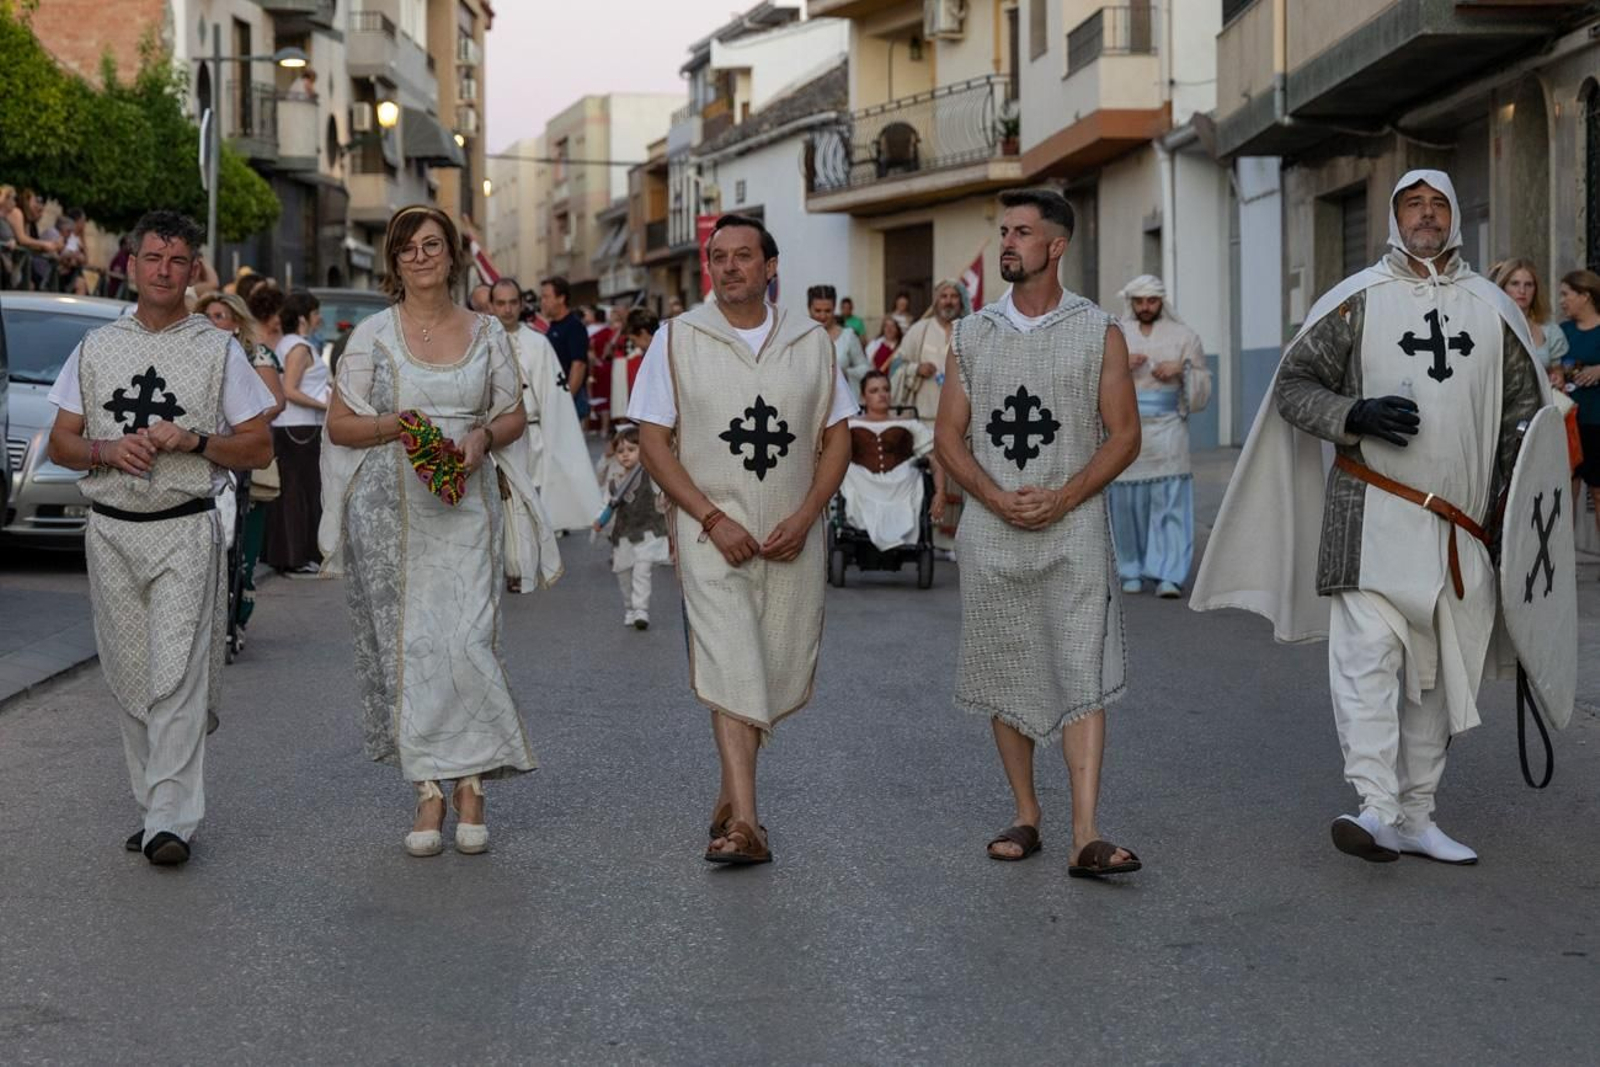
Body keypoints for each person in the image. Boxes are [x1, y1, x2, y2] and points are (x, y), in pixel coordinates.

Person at [1193, 170, 1548, 865]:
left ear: (1454, 218)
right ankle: (1376, 806)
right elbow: (1295, 385)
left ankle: (1417, 814)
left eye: (1438, 203)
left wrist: (1517, 519)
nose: (1425, 214)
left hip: (1461, 530)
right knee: (1367, 661)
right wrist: (1353, 415)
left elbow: (1522, 424)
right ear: (1393, 215)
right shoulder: (1356, 302)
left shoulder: (1492, 309)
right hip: (1368, 515)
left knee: (1440, 679)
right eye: (1413, 203)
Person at [44, 209, 275, 866]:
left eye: (177, 261)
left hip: (182, 527)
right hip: (112, 530)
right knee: (130, 674)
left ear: (193, 269)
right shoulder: (97, 347)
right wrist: (107, 449)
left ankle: (173, 816)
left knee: (175, 672)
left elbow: (256, 443)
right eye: (153, 258)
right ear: (134, 264)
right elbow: (61, 440)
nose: (164, 271)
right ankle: (153, 805)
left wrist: (194, 439)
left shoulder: (217, 349)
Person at [630, 213, 854, 866]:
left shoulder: (810, 341)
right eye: (718, 256)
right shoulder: (677, 339)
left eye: (743, 255)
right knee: (731, 661)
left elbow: (837, 432)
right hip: (712, 535)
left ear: (770, 266)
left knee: (772, 665)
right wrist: (708, 516)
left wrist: (811, 511)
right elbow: (653, 440)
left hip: (792, 533)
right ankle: (750, 826)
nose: (729, 267)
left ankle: (732, 793)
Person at [322, 205, 543, 858]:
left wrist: (479, 435)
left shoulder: (487, 333)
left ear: (453, 255)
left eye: (432, 245)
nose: (420, 257)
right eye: (407, 248)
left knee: (469, 638)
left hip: (467, 500)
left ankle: (472, 782)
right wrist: (405, 426)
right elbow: (340, 425)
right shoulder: (370, 336)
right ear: (393, 262)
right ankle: (427, 789)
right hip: (392, 507)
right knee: (412, 645)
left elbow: (513, 415)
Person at [934, 188, 1141, 876]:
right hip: (993, 532)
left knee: (1080, 664)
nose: (1008, 244)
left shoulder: (1099, 329)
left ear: (1056, 246)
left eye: (1022, 232)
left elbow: (1124, 434)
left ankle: (1087, 830)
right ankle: (1027, 813)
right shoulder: (972, 334)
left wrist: (1063, 497)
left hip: (1073, 526)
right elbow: (948, 434)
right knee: (1007, 663)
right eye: (1004, 231)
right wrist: (992, 496)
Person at [1106, 274, 1212, 599]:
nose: (1145, 307)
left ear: (1161, 302)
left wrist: (1182, 369)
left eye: (1151, 301)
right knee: (1126, 502)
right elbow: (1096, 376)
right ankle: (1130, 568)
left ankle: (1170, 573)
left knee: (1169, 500)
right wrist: (1119, 365)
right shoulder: (1115, 335)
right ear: (1131, 303)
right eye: (1139, 301)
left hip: (1168, 427)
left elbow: (1201, 384)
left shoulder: (1184, 336)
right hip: (1127, 425)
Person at [489, 278, 602, 538]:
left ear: (521, 304)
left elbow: (554, 397)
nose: (507, 309)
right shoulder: (478, 343)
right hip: (493, 441)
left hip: (532, 439)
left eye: (513, 302)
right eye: (501, 303)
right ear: (492, 306)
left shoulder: (538, 343)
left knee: (535, 518)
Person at [843, 369, 945, 551]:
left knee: (913, 468)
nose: (881, 395)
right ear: (863, 397)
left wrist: (940, 492)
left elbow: (933, 458)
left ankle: (900, 524)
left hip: (901, 482)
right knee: (847, 469)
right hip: (860, 481)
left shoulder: (907, 424)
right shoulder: (851, 425)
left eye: (885, 389)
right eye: (874, 391)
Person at [263, 289, 326, 575]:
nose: (319, 318)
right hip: (300, 426)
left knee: (292, 492)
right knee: (299, 493)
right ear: (304, 318)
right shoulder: (299, 347)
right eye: (315, 313)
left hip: (290, 426)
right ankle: (296, 556)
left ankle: (290, 554)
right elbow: (289, 389)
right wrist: (324, 405)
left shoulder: (285, 343)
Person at [594, 424, 670, 629]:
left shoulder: (649, 474)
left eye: (631, 450)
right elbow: (605, 504)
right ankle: (629, 607)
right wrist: (599, 520)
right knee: (624, 574)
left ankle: (641, 610)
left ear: (642, 450)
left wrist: (664, 502)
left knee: (642, 571)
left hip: (647, 530)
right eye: (620, 451)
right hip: (623, 534)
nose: (625, 455)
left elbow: (662, 492)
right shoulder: (614, 481)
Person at [1559, 269, 1600, 540]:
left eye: (1566, 294)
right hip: (1567, 423)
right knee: (1564, 494)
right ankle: (1564, 566)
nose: (1562, 301)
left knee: (1599, 493)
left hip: (1598, 423)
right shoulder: (1561, 332)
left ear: (1584, 296)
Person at [890, 280, 967, 424]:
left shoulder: (969, 331)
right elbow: (895, 367)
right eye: (943, 296)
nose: (948, 301)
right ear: (936, 301)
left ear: (961, 301)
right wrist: (917, 369)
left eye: (954, 296)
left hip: (962, 420)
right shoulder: (918, 330)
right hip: (924, 418)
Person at [808, 284, 870, 402]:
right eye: (817, 311)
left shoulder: (848, 336)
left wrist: (845, 373)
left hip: (842, 403)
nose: (822, 316)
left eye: (828, 311)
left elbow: (865, 368)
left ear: (834, 309)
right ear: (809, 308)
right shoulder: (802, 337)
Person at [540, 275, 589, 423]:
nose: (542, 302)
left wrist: (566, 400)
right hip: (554, 398)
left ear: (561, 298)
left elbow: (578, 365)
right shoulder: (553, 326)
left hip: (568, 400)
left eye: (546, 297)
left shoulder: (574, 326)